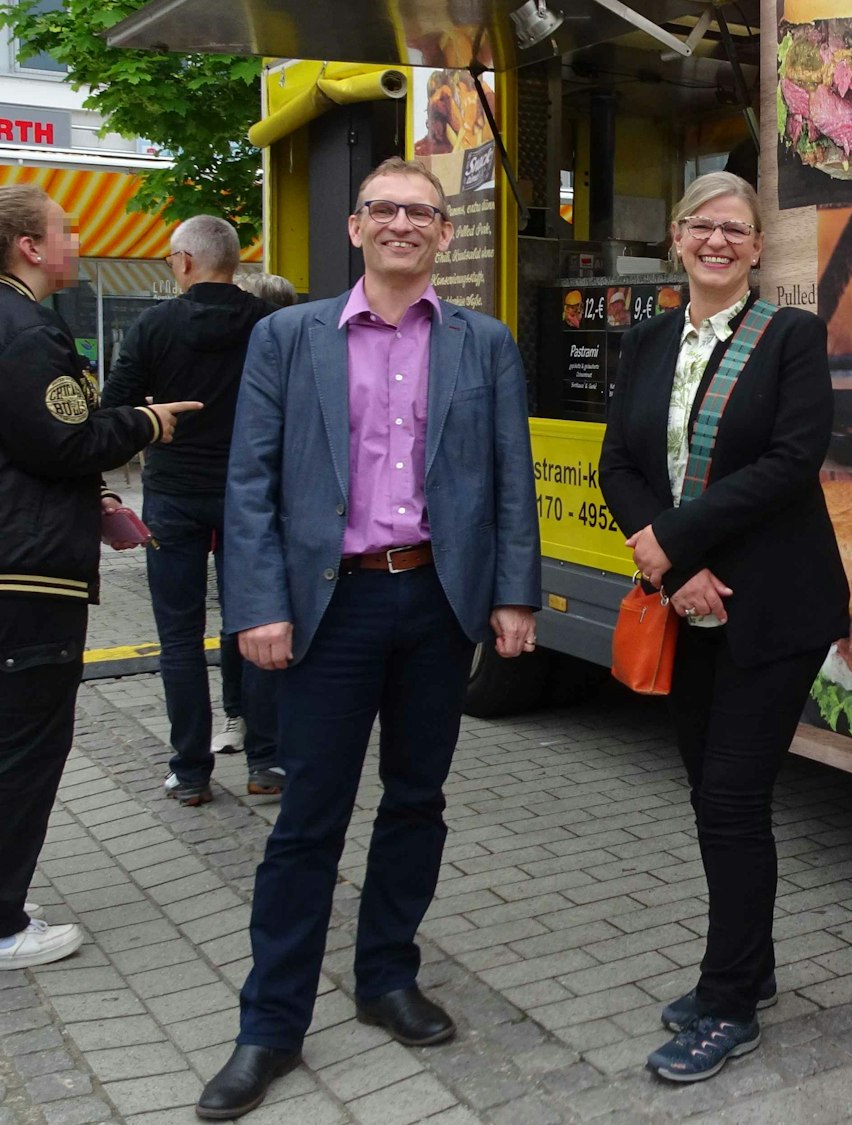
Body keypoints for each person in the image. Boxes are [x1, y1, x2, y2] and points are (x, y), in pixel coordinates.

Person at [196, 158, 540, 1119]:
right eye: (383, 209)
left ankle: (387, 974)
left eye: (419, 212)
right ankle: (269, 1023)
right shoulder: (286, 337)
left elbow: (511, 477)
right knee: (310, 817)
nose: (401, 224)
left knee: (417, 800)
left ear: (442, 233)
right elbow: (250, 482)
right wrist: (258, 606)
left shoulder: (483, 342)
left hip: (436, 601)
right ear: (355, 227)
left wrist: (516, 595)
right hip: (327, 610)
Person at [597, 171, 849, 1084]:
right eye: (703, 226)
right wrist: (670, 560)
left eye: (736, 230)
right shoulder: (651, 336)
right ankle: (758, 961)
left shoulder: (790, 337)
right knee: (710, 793)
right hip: (688, 594)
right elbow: (618, 459)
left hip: (773, 606)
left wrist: (675, 540)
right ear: (677, 235)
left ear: (755, 248)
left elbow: (791, 461)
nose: (718, 241)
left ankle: (730, 998)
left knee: (735, 801)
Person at [0, 183, 201, 969]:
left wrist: (97, 492)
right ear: (29, 246)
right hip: (29, 574)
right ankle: (6, 922)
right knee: (26, 744)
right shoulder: (26, 331)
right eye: (66, 229)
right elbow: (63, 438)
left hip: (20, 560)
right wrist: (146, 421)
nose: (77, 241)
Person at [102, 214, 283, 805]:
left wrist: (155, 421)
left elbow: (115, 414)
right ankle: (266, 763)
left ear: (182, 261)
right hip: (250, 495)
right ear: (235, 262)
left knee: (179, 637)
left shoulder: (154, 326)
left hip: (174, 494)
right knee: (251, 622)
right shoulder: (269, 325)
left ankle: (190, 771)